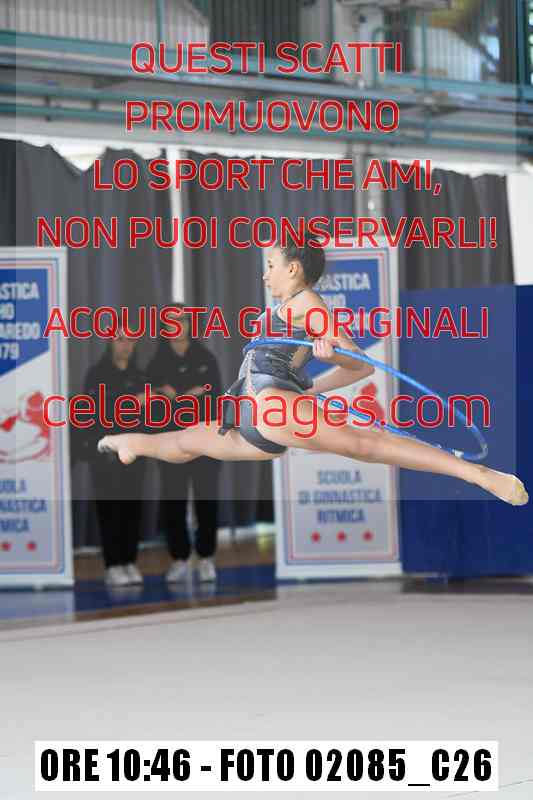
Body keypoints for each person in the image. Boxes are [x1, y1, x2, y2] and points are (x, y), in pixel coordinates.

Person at [97, 237, 529, 510]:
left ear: (293, 268)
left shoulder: (308, 303)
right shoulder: (284, 308)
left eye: (271, 265)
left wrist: (333, 356)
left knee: (367, 443)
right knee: (186, 443)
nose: (264, 274)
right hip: (251, 412)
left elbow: (359, 363)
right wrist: (313, 387)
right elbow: (323, 369)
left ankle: (478, 474)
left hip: (268, 406)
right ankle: (130, 442)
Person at [145, 305, 222, 583]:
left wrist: (185, 397)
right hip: (171, 443)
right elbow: (149, 406)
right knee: (173, 501)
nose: (177, 325)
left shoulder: (205, 358)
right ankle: (179, 558)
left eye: (182, 320)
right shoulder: (156, 364)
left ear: (190, 324)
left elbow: (217, 398)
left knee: (207, 499)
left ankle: (206, 557)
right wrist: (170, 396)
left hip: (204, 441)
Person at [84, 330, 148, 587]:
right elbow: (94, 411)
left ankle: (129, 561)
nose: (126, 345)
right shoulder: (96, 375)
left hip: (134, 453)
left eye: (131, 340)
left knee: (132, 509)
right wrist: (132, 402)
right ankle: (113, 565)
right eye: (120, 339)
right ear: (110, 342)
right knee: (110, 510)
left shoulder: (140, 376)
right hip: (106, 455)